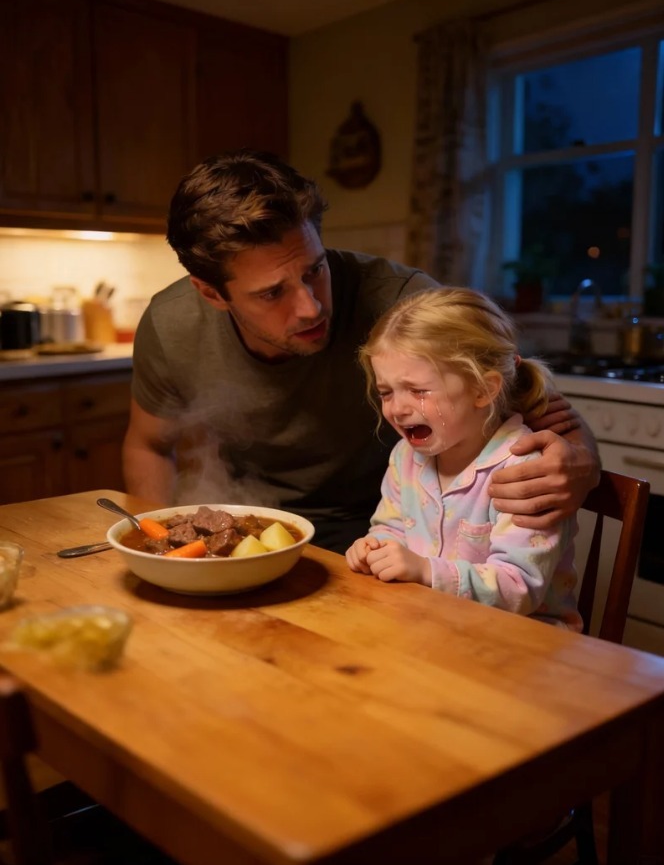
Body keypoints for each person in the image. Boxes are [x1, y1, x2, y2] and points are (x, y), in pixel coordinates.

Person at [122, 149, 599, 554]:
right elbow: (150, 444)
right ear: (212, 294)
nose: (310, 307)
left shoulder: (402, 302)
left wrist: (582, 462)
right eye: (272, 293)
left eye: (315, 269)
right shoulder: (172, 324)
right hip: (248, 528)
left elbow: (525, 392)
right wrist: (159, 543)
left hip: (386, 533)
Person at [346, 287, 583, 629]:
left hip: (526, 642)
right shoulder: (405, 458)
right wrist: (376, 549)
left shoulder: (525, 471)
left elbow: (519, 588)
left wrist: (426, 570)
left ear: (483, 389)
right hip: (436, 623)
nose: (397, 408)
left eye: (418, 391)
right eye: (386, 392)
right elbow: (391, 528)